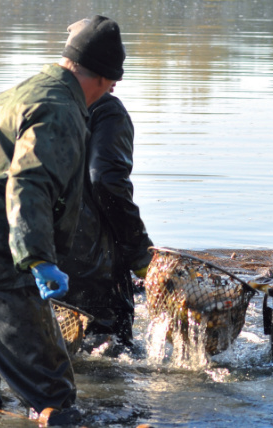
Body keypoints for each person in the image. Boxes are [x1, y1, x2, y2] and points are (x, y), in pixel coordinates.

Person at [0, 15, 125, 425]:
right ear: (104, 79)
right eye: (109, 87)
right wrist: (38, 258)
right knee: (54, 396)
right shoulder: (61, 108)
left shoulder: (17, 93)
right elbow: (30, 182)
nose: (106, 94)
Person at [59, 19, 154, 351]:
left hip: (45, 258)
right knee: (113, 353)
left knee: (59, 352)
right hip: (95, 266)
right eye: (111, 75)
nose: (114, 85)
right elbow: (107, 181)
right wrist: (139, 249)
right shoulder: (109, 112)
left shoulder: (44, 103)